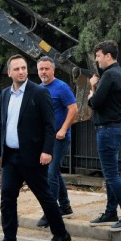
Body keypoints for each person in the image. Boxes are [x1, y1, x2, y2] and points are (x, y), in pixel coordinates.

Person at [0, 55, 72, 241]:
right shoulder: (5, 95)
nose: (21, 72)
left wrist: (47, 151)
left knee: (44, 196)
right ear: (9, 72)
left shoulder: (38, 93)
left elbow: (49, 125)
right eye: (16, 69)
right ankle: (9, 239)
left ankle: (60, 233)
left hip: (33, 157)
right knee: (7, 197)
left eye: (24, 68)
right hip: (10, 156)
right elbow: (2, 124)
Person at [87, 40, 121, 232]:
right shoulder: (115, 72)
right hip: (114, 128)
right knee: (110, 174)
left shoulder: (110, 74)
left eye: (98, 56)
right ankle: (111, 212)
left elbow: (96, 103)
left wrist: (93, 88)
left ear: (108, 56)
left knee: (111, 175)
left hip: (108, 129)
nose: (96, 60)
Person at [35, 56, 77, 228]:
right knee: (55, 173)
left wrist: (63, 129)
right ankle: (65, 206)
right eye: (41, 69)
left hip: (59, 139)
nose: (44, 72)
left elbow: (73, 109)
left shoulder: (62, 87)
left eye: (47, 68)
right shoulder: (38, 89)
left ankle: (49, 212)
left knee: (50, 174)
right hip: (45, 139)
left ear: (53, 70)